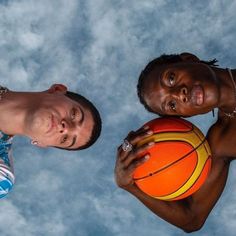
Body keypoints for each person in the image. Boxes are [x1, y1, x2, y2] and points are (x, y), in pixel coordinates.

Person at [114, 52, 236, 232]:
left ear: (189, 59)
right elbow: (192, 218)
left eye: (171, 79)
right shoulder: (224, 140)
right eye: (171, 105)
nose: (180, 94)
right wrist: (127, 184)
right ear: (185, 117)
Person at [0, 83, 102, 198]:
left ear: (41, 143)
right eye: (74, 115)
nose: (66, 128)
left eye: (65, 139)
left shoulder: (2, 177)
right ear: (57, 90)